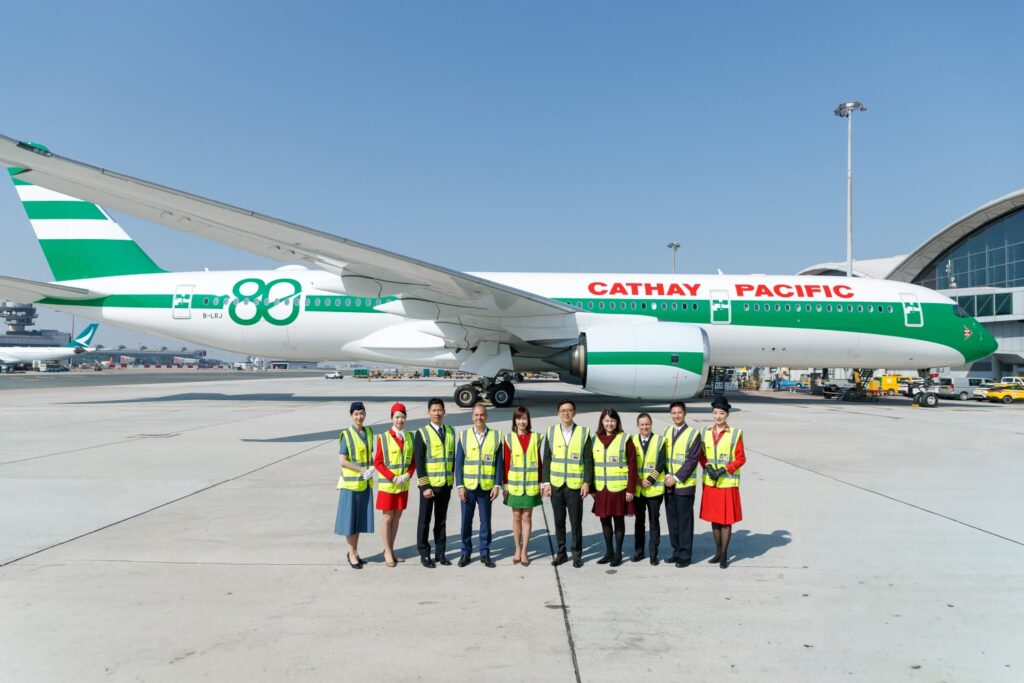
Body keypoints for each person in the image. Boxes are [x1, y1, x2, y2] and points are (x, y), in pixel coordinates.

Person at [542, 399, 593, 569]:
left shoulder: (584, 433)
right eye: (563, 410)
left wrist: (587, 483)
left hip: (575, 485)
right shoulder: (551, 432)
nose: (566, 413)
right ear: (558, 413)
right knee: (558, 521)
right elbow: (547, 459)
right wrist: (546, 482)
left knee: (575, 521)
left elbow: (588, 460)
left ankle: (577, 554)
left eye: (569, 410)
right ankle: (561, 552)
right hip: (556, 485)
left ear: (574, 413)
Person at [699, 396, 746, 569]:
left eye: (721, 413)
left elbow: (741, 458)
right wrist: (708, 468)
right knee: (715, 520)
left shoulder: (734, 433)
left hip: (726, 484)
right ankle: (718, 552)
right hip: (711, 483)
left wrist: (725, 469)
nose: (718, 416)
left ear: (727, 415)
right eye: (715, 413)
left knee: (726, 521)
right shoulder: (705, 432)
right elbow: (702, 455)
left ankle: (725, 554)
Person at [455, 403, 503, 568]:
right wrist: (459, 485)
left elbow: (499, 464)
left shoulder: (496, 436)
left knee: (485, 522)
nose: (479, 417)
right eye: (476, 415)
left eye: (482, 414)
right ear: (472, 416)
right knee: (465, 522)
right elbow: (459, 463)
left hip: (486, 488)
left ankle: (485, 553)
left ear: (486, 416)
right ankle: (465, 552)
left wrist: (497, 485)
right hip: (468, 487)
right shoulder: (464, 435)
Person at [591, 408, 638, 567]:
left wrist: (631, 489)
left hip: (619, 489)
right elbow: (590, 465)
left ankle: (618, 553)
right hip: (601, 488)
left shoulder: (625, 439)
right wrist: (591, 488)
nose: (609, 423)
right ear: (602, 422)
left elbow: (633, 466)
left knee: (618, 521)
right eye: (606, 420)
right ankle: (608, 552)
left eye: (612, 420)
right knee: (604, 521)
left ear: (617, 422)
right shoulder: (594, 439)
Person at [413, 398, 456, 568]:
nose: (437, 413)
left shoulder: (451, 431)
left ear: (444, 412)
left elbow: (452, 458)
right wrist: (424, 486)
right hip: (429, 486)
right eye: (434, 410)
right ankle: (424, 553)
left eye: (440, 410)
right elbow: (419, 461)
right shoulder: (422, 433)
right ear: (429, 413)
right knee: (424, 521)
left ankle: (440, 553)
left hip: (445, 484)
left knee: (441, 521)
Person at [334, 401, 375, 569]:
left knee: (358, 521)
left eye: (362, 413)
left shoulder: (369, 432)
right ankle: (351, 553)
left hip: (365, 484)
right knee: (350, 521)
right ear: (351, 415)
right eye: (356, 414)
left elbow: (369, 455)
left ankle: (355, 551)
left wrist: (371, 467)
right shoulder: (347, 434)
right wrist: (360, 469)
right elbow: (342, 461)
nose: (360, 417)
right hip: (350, 485)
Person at [661, 400, 703, 568]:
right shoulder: (666, 431)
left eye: (679, 412)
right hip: (668, 484)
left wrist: (676, 478)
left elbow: (692, 460)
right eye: (674, 413)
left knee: (684, 522)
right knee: (672, 522)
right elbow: (662, 455)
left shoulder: (693, 434)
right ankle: (676, 552)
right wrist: (667, 476)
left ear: (685, 414)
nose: (676, 415)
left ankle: (685, 556)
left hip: (684, 486)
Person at [374, 402, 415, 567]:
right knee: (387, 517)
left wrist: (407, 475)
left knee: (397, 517)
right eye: (397, 417)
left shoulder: (410, 437)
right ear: (391, 418)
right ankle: (387, 551)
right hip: (388, 486)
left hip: (403, 485)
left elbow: (414, 461)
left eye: (402, 417)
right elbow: (378, 462)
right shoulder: (383, 437)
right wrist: (392, 477)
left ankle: (390, 548)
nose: (400, 420)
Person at [503, 406, 544, 567]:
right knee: (516, 517)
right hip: (514, 486)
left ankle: (525, 550)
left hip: (531, 485)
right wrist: (505, 486)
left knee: (527, 517)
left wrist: (542, 484)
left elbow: (539, 464)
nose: (521, 421)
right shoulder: (508, 438)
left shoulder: (536, 438)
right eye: (519, 418)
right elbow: (506, 463)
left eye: (524, 418)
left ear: (529, 420)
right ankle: (517, 549)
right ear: (514, 420)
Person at [631, 412, 666, 565]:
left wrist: (650, 480)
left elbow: (661, 462)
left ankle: (653, 554)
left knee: (654, 523)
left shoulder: (660, 440)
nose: (645, 427)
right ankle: (639, 552)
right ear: (638, 426)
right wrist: (638, 480)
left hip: (654, 491)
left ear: (651, 424)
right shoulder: (631, 441)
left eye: (647, 424)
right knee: (639, 522)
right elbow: (629, 463)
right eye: (642, 424)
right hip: (638, 490)